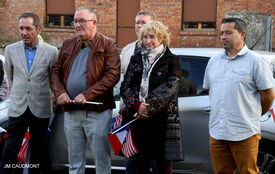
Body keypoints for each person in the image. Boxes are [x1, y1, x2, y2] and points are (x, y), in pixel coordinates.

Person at [50, 6, 120, 174]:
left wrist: (87, 94)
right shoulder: (68, 44)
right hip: (71, 111)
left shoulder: (108, 44)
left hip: (97, 111)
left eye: (82, 21)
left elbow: (113, 74)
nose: (77, 25)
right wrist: (60, 92)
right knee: (74, 161)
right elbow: (55, 72)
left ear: (94, 23)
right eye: (75, 21)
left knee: (101, 160)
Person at [203, 17, 275, 174]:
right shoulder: (213, 62)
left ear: (242, 34)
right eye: (221, 33)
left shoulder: (256, 62)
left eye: (228, 33)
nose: (223, 37)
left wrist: (253, 114)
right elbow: (211, 90)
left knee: (248, 172)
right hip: (217, 132)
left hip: (245, 132)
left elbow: (269, 95)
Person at [0, 13, 58, 174]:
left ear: (39, 29)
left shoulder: (52, 52)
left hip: (41, 108)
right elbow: (11, 78)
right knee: (10, 150)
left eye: (28, 28)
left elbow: (54, 80)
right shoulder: (10, 50)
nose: (24, 32)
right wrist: (20, 95)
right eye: (21, 28)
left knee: (38, 151)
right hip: (17, 107)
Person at [120, 21, 181, 174]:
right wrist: (136, 105)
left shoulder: (172, 60)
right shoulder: (136, 59)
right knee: (138, 167)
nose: (148, 41)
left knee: (162, 168)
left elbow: (171, 87)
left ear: (161, 37)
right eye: (145, 37)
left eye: (152, 37)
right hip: (137, 121)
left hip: (161, 122)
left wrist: (146, 107)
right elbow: (125, 86)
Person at [119, 10, 156, 174]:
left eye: (144, 23)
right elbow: (123, 83)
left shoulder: (162, 51)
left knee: (154, 162)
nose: (140, 26)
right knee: (132, 161)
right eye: (137, 23)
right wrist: (123, 104)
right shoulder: (127, 51)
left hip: (152, 115)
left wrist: (147, 107)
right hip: (130, 114)